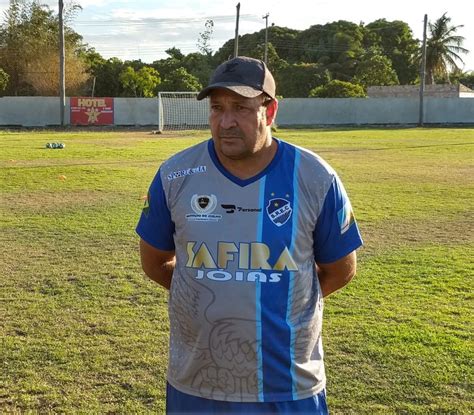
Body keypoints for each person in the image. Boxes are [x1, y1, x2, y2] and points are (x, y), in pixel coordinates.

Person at [136, 56, 363, 414]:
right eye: (217, 108)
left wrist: (281, 295)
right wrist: (211, 290)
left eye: (240, 108)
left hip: (289, 386)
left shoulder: (315, 177)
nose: (226, 122)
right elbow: (155, 262)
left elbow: (340, 269)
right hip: (197, 384)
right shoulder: (176, 175)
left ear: (269, 111)